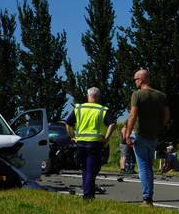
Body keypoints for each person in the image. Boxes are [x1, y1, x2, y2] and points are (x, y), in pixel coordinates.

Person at [123, 68, 169, 206]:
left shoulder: (137, 95)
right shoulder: (161, 96)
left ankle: (147, 198)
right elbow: (167, 115)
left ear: (141, 79)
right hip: (153, 135)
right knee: (149, 166)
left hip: (139, 134)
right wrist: (160, 126)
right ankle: (149, 194)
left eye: (136, 79)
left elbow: (133, 115)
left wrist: (127, 134)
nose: (135, 82)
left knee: (143, 167)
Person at [66, 87, 115, 201]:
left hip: (81, 143)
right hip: (95, 143)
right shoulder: (103, 110)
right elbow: (112, 124)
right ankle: (87, 195)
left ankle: (89, 194)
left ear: (88, 96)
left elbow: (68, 123)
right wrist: (106, 138)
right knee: (91, 170)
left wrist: (72, 136)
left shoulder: (79, 108)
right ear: (98, 97)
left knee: (85, 169)